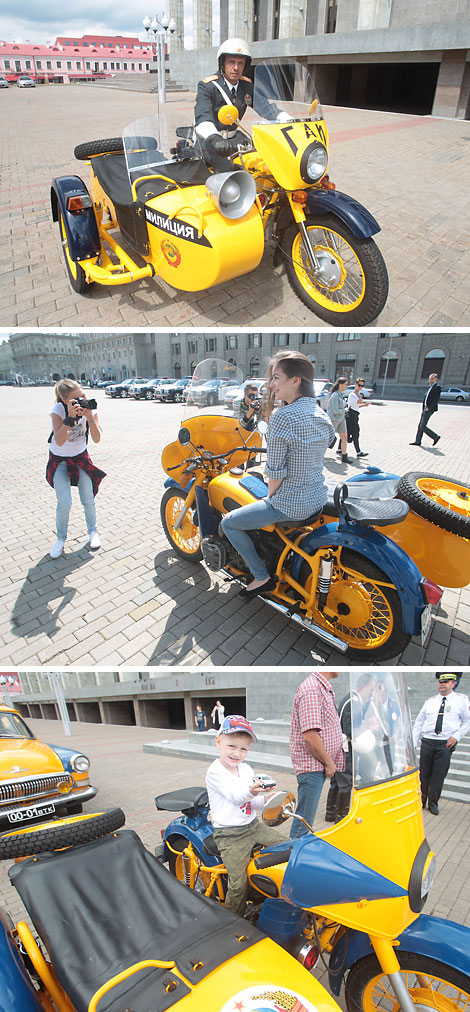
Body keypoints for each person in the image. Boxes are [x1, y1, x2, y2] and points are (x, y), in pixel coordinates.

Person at [221, 351, 335, 598]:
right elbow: (329, 442)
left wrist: (269, 495)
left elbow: (275, 474)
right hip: (316, 498)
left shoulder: (283, 416)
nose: (271, 385)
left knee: (229, 522)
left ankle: (261, 577)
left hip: (290, 504)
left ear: (295, 381)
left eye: (276, 378)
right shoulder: (320, 413)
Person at [206, 714, 282, 915]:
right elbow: (235, 796)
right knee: (238, 884)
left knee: (288, 846)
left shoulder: (246, 769)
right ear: (218, 741)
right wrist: (254, 789)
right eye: (232, 746)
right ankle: (232, 921)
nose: (237, 753)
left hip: (252, 826)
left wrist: (265, 799)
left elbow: (251, 802)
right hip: (230, 834)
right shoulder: (215, 771)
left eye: (243, 748)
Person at [46, 379, 105, 560]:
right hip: (60, 461)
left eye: (82, 396)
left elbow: (96, 439)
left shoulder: (90, 409)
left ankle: (93, 532)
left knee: (88, 498)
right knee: (64, 503)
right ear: (65, 401)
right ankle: (60, 539)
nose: (80, 401)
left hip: (80, 458)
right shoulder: (58, 411)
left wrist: (89, 417)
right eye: (75, 399)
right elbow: (60, 440)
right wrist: (69, 419)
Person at [289, 671, 344, 838]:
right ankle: (292, 857)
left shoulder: (319, 688)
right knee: (303, 823)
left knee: (305, 820)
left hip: (316, 765)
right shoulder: (312, 690)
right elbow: (310, 736)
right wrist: (329, 762)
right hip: (312, 766)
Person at [413, 673, 470, 815]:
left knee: (438, 775)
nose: (442, 685)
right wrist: (414, 742)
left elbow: (468, 721)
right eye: (440, 682)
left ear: (453, 683)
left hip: (445, 744)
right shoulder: (430, 701)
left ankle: (433, 803)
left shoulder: (461, 701)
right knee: (424, 774)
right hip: (428, 741)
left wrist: (456, 737)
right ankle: (421, 800)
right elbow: (419, 723)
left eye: (446, 682)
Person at [194, 38, 254, 172]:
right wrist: (214, 137)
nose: (236, 68)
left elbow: (264, 106)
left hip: (233, 139)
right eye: (231, 62)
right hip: (210, 140)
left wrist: (285, 118)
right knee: (228, 170)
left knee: (257, 163)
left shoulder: (247, 85)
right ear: (223, 63)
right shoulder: (208, 86)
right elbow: (203, 116)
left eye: (240, 63)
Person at [325, 674, 376, 824]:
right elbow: (348, 729)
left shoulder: (355, 700)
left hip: (343, 747)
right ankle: (341, 817)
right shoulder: (352, 701)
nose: (371, 692)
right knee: (345, 783)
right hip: (345, 748)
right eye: (371, 689)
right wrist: (366, 729)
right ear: (363, 686)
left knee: (336, 782)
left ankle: (330, 813)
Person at [410, 373, 441, 447]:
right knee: (420, 425)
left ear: (436, 379)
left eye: (432, 378)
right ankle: (418, 441)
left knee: (422, 426)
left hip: (429, 409)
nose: (430, 380)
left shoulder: (437, 387)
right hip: (425, 408)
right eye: (430, 378)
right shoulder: (430, 387)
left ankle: (435, 436)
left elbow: (436, 400)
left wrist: (429, 407)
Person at [327, 376, 350, 463]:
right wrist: (345, 410)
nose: (346, 386)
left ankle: (344, 456)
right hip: (334, 419)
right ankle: (319, 455)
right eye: (345, 384)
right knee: (328, 438)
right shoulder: (335, 395)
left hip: (341, 418)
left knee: (344, 437)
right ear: (340, 384)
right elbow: (335, 410)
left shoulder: (341, 394)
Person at [347, 377, 370, 458]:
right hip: (351, 416)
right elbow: (360, 401)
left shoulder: (356, 394)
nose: (360, 387)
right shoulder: (353, 394)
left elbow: (356, 406)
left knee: (347, 432)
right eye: (359, 385)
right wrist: (358, 393)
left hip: (354, 414)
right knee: (355, 433)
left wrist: (364, 405)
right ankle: (358, 452)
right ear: (355, 384)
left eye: (362, 386)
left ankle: (339, 449)